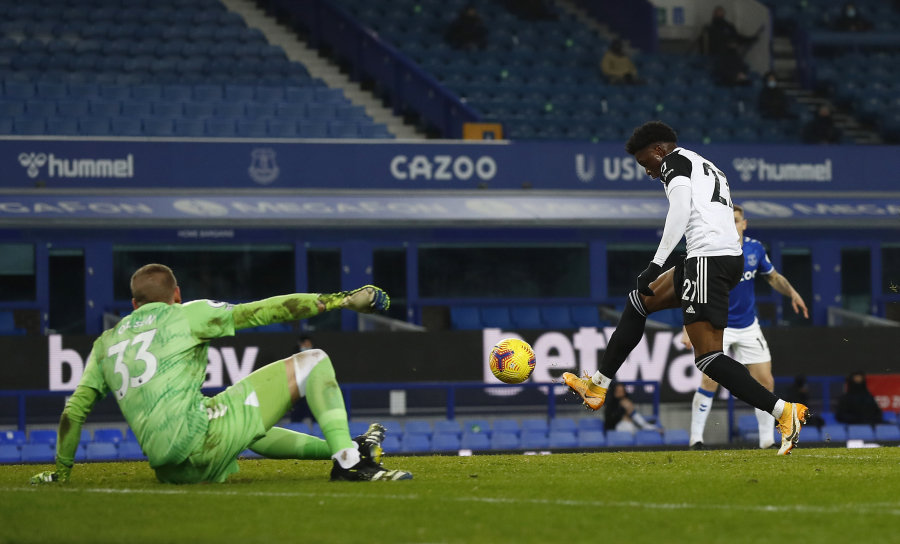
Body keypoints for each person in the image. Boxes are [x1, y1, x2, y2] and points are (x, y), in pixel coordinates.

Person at [31, 264, 412, 485]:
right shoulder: (186, 313)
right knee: (313, 359)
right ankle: (349, 460)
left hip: (170, 472)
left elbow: (72, 414)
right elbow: (265, 311)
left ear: (133, 305)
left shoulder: (105, 343)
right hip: (199, 442)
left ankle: (346, 446)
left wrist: (61, 473)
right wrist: (339, 300)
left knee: (231, 414)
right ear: (176, 294)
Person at [562, 121, 808, 455]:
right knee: (638, 303)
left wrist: (655, 263)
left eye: (645, 162)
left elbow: (680, 211)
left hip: (709, 260)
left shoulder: (674, 164)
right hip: (714, 259)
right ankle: (597, 387)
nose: (648, 172)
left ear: (659, 150)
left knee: (708, 359)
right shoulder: (704, 164)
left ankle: (784, 411)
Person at [682, 204, 809, 450]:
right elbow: (694, 287)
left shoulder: (754, 249)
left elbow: (772, 277)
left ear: (744, 223)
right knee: (710, 381)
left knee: (765, 382)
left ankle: (766, 441)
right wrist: (688, 325)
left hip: (749, 325)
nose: (733, 224)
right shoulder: (712, 249)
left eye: (737, 220)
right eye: (728, 220)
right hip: (719, 325)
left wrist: (792, 293)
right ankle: (695, 439)